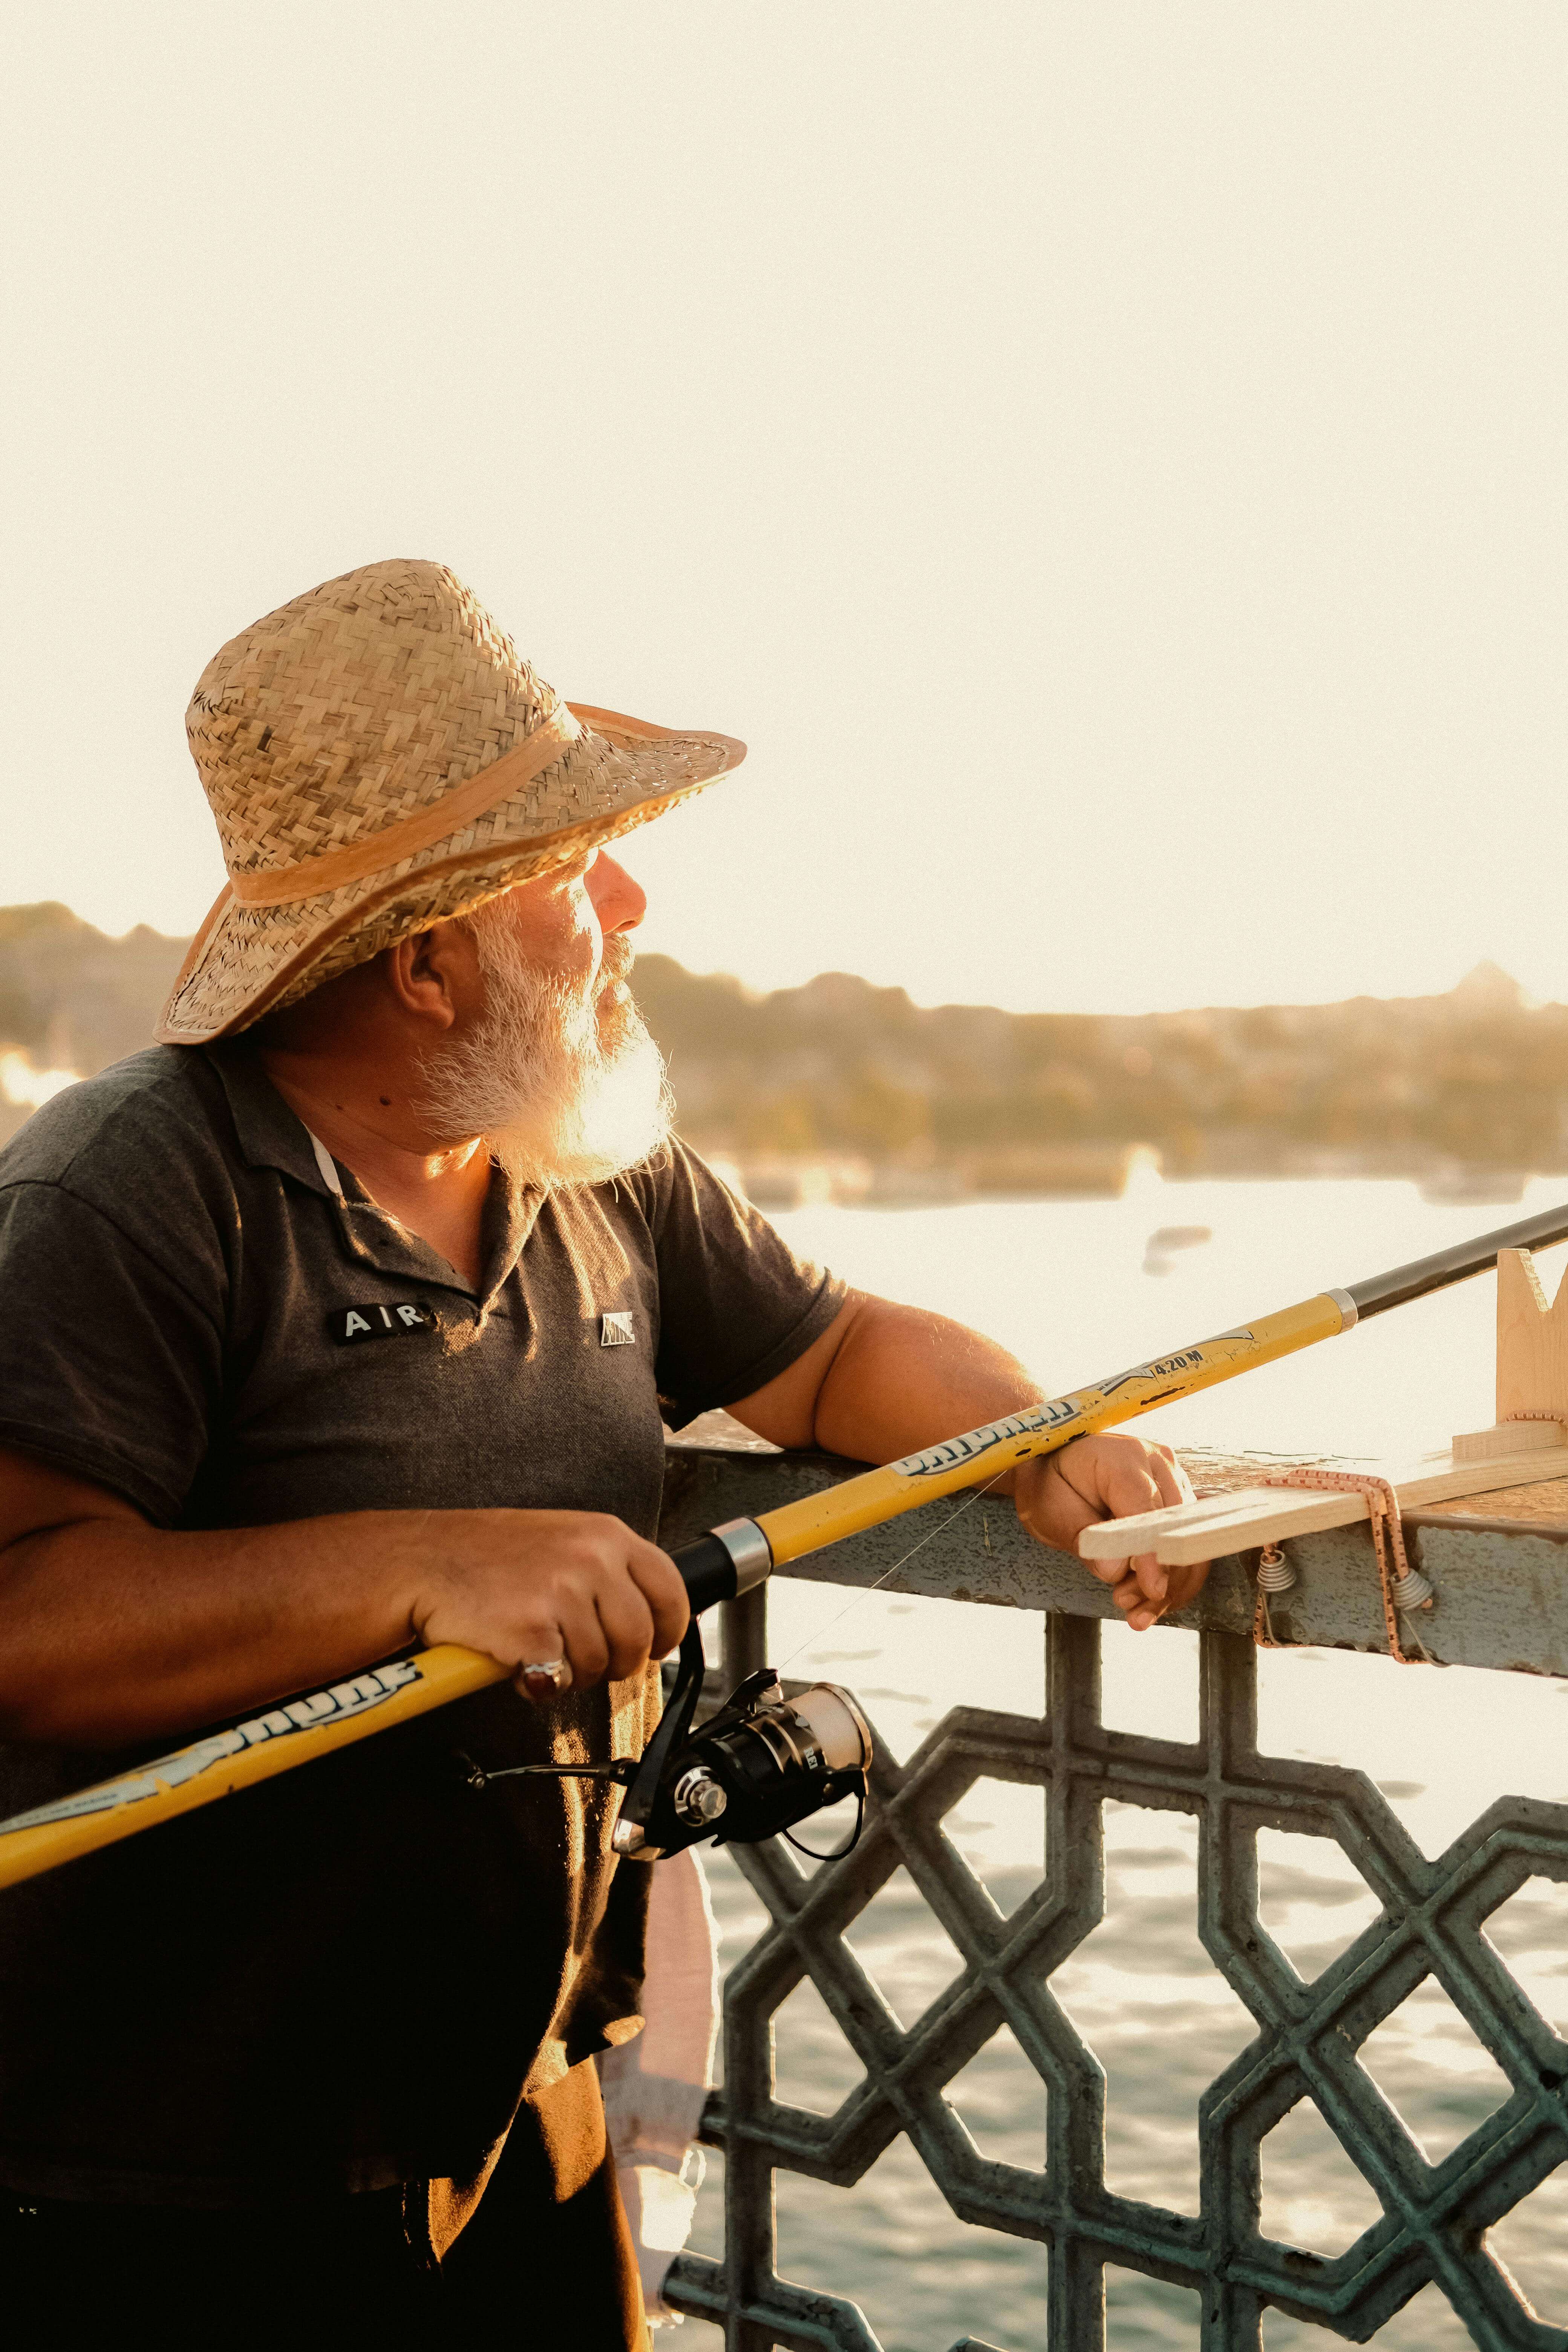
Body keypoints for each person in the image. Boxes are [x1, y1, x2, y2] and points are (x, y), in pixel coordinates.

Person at [0, 560, 1200, 2346]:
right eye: (576, 870)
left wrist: (1039, 1444)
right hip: (174, 2176)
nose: (631, 904)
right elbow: (26, 1617)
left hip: (527, 2103)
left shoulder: (592, 1163)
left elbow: (838, 1352)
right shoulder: (128, 1190)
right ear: (425, 962)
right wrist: (424, 1570)